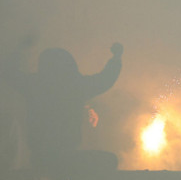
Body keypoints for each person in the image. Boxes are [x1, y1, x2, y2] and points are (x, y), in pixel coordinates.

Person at [4, 39, 123, 171]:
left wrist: (21, 49)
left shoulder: (34, 85)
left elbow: (9, 73)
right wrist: (116, 58)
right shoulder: (76, 86)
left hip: (40, 159)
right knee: (110, 161)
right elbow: (104, 79)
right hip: (65, 158)